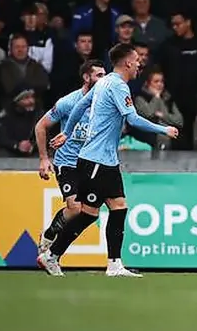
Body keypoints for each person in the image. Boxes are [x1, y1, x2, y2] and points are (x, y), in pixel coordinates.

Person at [39, 43, 179, 277]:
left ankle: (113, 264)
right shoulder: (117, 86)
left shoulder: (104, 82)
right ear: (127, 62)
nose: (139, 64)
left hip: (105, 160)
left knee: (118, 207)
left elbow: (82, 105)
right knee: (89, 213)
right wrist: (162, 129)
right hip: (96, 160)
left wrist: (67, 131)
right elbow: (132, 119)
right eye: (136, 60)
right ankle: (52, 255)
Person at [34, 60, 106, 254]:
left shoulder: (104, 103)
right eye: (99, 75)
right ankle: (49, 237)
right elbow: (41, 126)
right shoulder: (68, 102)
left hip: (91, 164)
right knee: (74, 207)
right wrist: (44, 158)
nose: (103, 79)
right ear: (86, 77)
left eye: (104, 75)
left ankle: (54, 253)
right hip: (67, 163)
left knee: (90, 212)